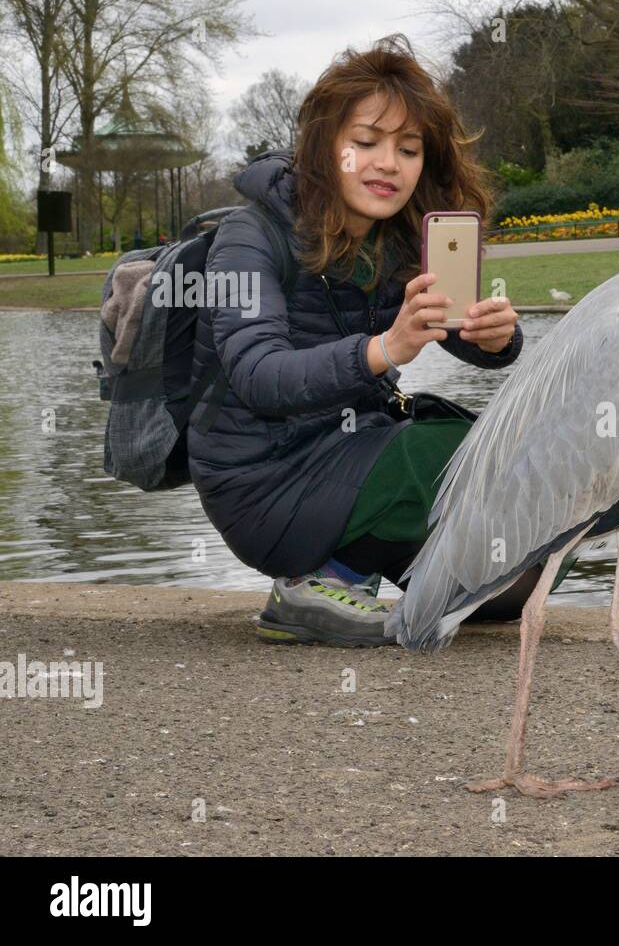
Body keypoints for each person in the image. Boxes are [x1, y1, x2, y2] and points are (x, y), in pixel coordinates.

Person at [188, 34, 572, 647]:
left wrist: (497, 338)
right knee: (449, 456)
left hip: (356, 456)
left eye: (409, 148)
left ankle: (348, 573)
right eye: (365, 142)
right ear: (324, 146)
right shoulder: (248, 237)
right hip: (263, 480)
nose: (388, 163)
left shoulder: (397, 240)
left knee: (528, 568)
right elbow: (258, 374)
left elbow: (451, 335)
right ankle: (326, 575)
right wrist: (387, 348)